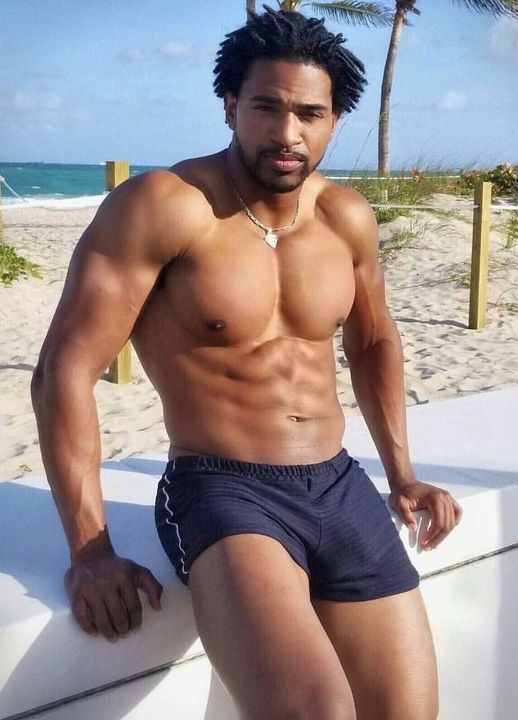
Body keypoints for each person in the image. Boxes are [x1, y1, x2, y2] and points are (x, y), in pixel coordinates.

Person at [32, 8, 462, 720]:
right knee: (317, 711)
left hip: (338, 483)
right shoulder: (164, 206)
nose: (288, 133)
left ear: (333, 121)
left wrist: (403, 474)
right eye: (267, 107)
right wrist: (90, 550)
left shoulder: (346, 217)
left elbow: (373, 342)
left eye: (310, 114)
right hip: (220, 488)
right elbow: (63, 371)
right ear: (230, 105)